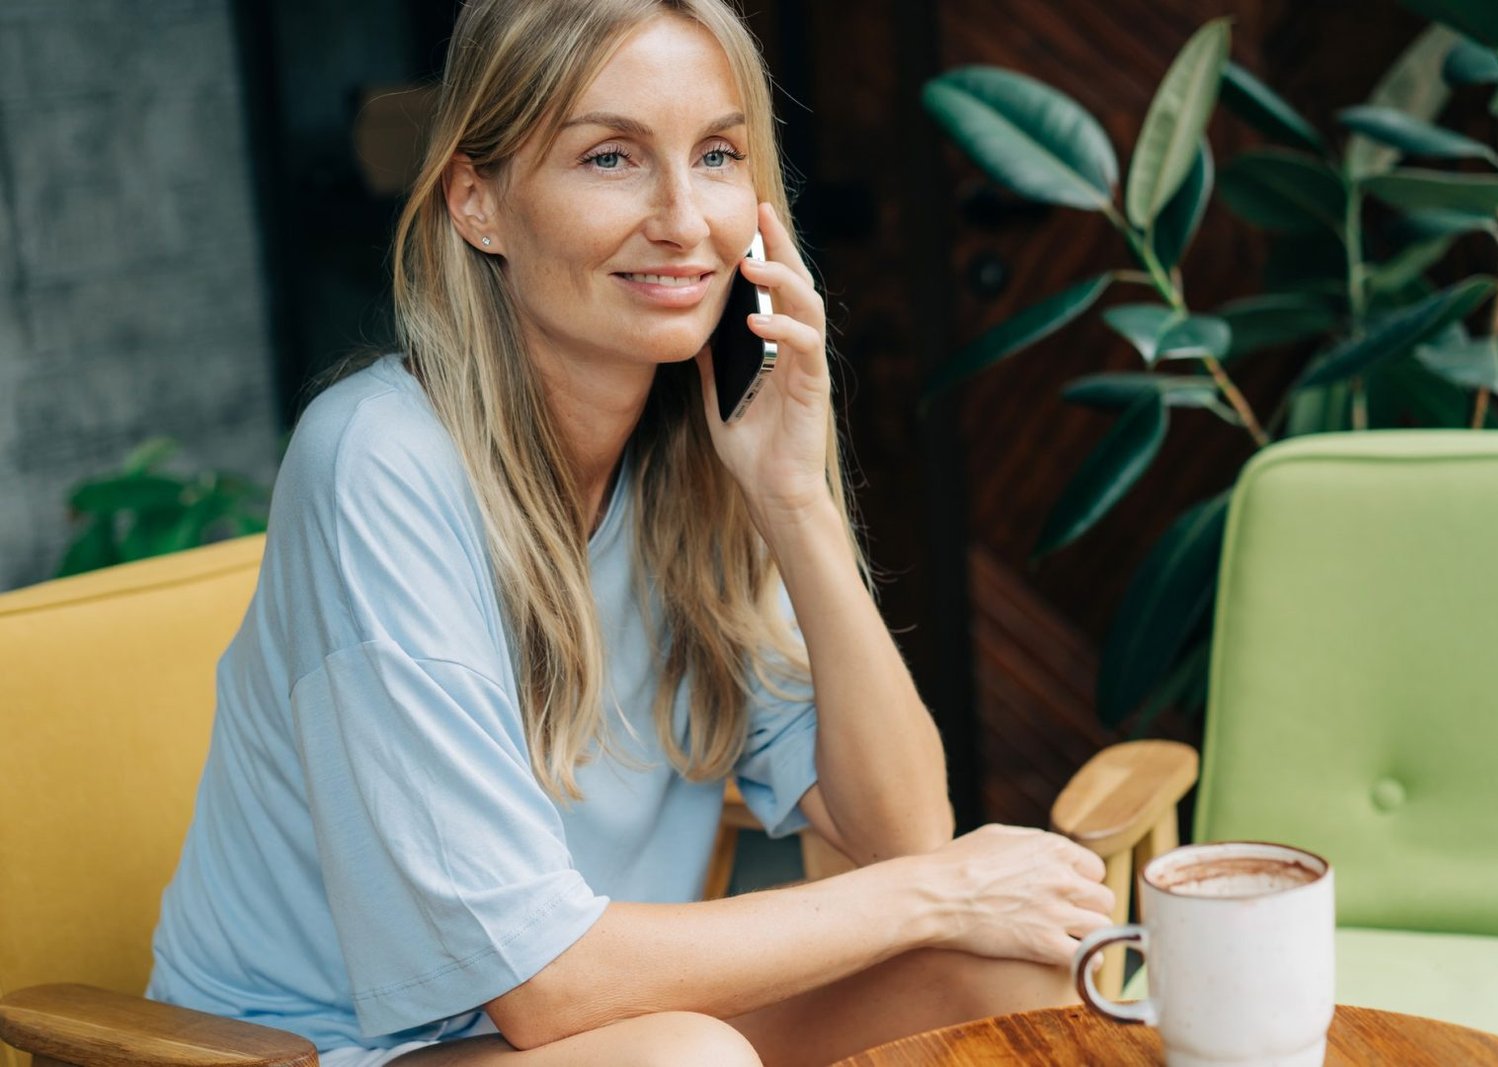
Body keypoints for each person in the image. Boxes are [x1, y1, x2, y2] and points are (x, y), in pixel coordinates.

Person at [146, 1, 1115, 1064]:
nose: (684, 217)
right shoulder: (378, 458)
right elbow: (544, 984)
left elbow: (898, 834)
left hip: (605, 1031)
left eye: (716, 155)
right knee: (689, 1059)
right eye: (609, 156)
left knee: (1023, 974)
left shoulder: (702, 456)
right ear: (478, 201)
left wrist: (796, 500)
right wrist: (938, 892)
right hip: (312, 1050)